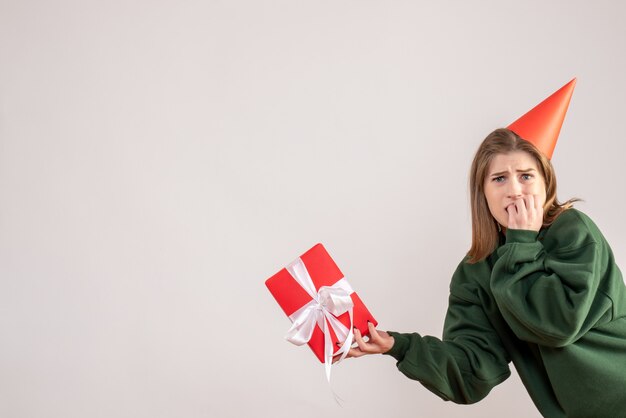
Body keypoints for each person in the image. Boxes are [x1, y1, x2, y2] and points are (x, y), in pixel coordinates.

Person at [346, 82, 626, 418]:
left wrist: (521, 242)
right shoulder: (475, 272)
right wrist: (399, 346)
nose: (515, 191)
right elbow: (473, 370)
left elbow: (560, 324)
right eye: (499, 179)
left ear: (545, 183)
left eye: (526, 176)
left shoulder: (573, 231)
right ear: (482, 191)